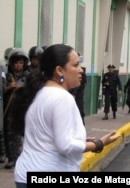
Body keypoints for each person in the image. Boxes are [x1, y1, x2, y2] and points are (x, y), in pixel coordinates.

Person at [7, 44, 120, 187]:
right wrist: (98, 144)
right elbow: (65, 145)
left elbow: (45, 135)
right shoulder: (62, 97)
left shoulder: (40, 93)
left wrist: (80, 140)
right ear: (59, 71)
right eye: (76, 65)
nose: (81, 70)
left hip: (25, 174)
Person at [3, 48, 30, 169]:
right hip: (9, 110)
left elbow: (33, 91)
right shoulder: (7, 76)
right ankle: (12, 158)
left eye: (21, 63)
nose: (18, 65)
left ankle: (22, 158)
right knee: (9, 135)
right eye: (16, 63)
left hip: (23, 110)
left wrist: (21, 88)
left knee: (22, 136)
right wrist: (9, 87)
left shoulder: (28, 77)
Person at [69, 54, 87, 125]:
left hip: (78, 96)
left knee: (79, 112)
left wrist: (74, 93)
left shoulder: (81, 70)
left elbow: (82, 83)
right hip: (69, 95)